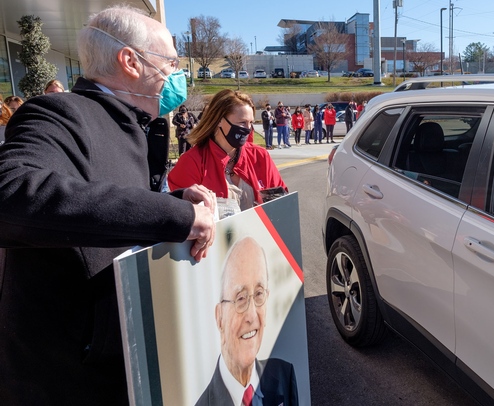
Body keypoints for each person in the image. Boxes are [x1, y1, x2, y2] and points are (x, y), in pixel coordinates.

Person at [0, 5, 216, 405]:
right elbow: (12, 193)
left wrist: (167, 201)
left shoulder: (133, 124)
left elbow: (107, 206)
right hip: (69, 378)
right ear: (130, 61)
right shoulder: (59, 113)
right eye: (170, 61)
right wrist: (176, 216)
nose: (177, 74)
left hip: (122, 362)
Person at [196, 236, 298, 406]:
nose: (251, 316)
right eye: (241, 298)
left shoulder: (284, 375)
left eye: (259, 294)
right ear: (220, 317)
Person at [167, 89, 287, 211]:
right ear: (219, 120)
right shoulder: (191, 162)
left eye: (251, 123)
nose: (248, 129)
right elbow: (181, 216)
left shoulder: (260, 156)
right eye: (242, 123)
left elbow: (281, 207)